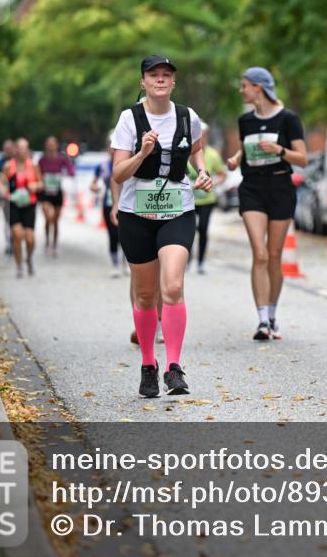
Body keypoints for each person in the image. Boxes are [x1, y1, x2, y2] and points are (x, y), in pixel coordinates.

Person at [110, 55, 212, 398]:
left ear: (173, 82)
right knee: (144, 294)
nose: (160, 79)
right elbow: (118, 174)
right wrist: (141, 154)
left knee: (173, 286)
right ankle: (148, 365)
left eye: (166, 75)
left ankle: (174, 367)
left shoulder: (186, 116)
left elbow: (196, 147)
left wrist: (202, 171)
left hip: (177, 210)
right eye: (153, 75)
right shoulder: (129, 119)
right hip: (136, 215)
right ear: (143, 82)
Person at [226, 67, 307, 341]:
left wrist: (280, 150)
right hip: (252, 189)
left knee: (274, 255)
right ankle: (262, 321)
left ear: (258, 87)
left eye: (244, 85)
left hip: (281, 187)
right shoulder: (245, 120)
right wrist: (236, 159)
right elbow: (247, 146)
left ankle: (272, 315)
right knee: (259, 254)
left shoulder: (288, 119)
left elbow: (303, 158)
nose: (241, 90)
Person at [187, 122, 226, 274]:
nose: (200, 138)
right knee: (189, 230)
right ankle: (188, 260)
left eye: (203, 135)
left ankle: (201, 262)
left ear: (206, 135)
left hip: (207, 200)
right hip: (189, 199)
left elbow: (222, 175)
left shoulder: (213, 155)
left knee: (203, 229)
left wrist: (211, 182)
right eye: (197, 135)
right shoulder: (187, 152)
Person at [3, 137, 43, 278]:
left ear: (28, 150)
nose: (22, 151)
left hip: (29, 204)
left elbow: (41, 183)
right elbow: (1, 184)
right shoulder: (8, 166)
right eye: (20, 148)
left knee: (30, 239)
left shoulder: (34, 165)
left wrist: (35, 186)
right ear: (15, 150)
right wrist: (5, 193)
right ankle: (19, 266)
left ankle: (29, 258)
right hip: (13, 204)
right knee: (17, 235)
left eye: (25, 148)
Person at [92, 137, 124, 277]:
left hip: (126, 203)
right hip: (108, 203)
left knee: (125, 235)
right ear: (107, 149)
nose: (113, 150)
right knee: (112, 234)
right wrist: (95, 188)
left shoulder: (126, 163)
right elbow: (93, 183)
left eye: (116, 147)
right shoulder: (102, 166)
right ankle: (115, 264)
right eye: (111, 147)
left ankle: (126, 262)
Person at [38, 136, 75, 257]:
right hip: (45, 193)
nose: (51, 146)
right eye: (49, 144)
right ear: (46, 145)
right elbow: (37, 173)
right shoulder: (42, 160)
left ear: (56, 145)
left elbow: (71, 171)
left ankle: (54, 245)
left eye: (53, 144)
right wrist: (41, 180)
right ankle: (47, 242)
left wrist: (66, 173)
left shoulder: (62, 159)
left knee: (55, 221)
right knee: (48, 218)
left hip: (57, 192)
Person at [0, 139, 15, 253]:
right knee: (7, 221)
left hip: (17, 196)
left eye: (10, 148)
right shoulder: (0, 163)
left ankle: (15, 241)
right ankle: (9, 243)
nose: (9, 151)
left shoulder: (18, 162)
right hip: (5, 196)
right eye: (6, 149)